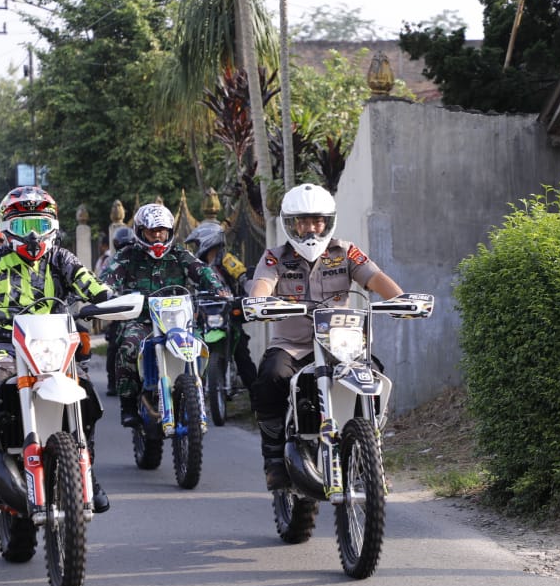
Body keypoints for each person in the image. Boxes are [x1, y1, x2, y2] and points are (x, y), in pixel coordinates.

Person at [0, 186, 115, 512]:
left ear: (52, 224)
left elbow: (90, 283)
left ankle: (88, 473)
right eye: (23, 226)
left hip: (56, 344)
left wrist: (109, 301)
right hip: (4, 343)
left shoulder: (61, 258)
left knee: (87, 394)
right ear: (8, 228)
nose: (33, 234)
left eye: (38, 223)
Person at [247, 183, 404, 490]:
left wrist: (401, 299)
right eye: (303, 221)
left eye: (317, 220)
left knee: (374, 375)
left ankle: (368, 450)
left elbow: (375, 278)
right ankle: (274, 458)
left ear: (327, 221)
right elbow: (262, 286)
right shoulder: (274, 257)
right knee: (269, 377)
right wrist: (258, 300)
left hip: (340, 345)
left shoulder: (345, 252)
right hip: (292, 347)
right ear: (291, 224)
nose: (310, 228)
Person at [106, 204, 225, 427]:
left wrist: (218, 287)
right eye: (152, 231)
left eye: (162, 231)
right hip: (141, 321)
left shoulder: (180, 254)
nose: (157, 236)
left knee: (200, 346)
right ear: (141, 232)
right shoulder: (127, 256)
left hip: (178, 322)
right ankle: (128, 404)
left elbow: (202, 271)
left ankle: (197, 391)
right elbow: (108, 279)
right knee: (128, 347)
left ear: (169, 231)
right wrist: (104, 293)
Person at [183, 220, 256, 389]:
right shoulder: (196, 265)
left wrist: (249, 289)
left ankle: (257, 400)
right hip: (204, 315)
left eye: (197, 243)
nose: (195, 248)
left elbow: (242, 276)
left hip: (228, 312)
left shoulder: (227, 259)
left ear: (207, 240)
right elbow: (187, 286)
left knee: (242, 354)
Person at [96, 225, 138, 396]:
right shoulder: (110, 261)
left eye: (129, 245)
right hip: (119, 309)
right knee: (114, 346)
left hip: (140, 309)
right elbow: (101, 282)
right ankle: (113, 382)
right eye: (123, 245)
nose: (126, 249)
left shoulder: (140, 260)